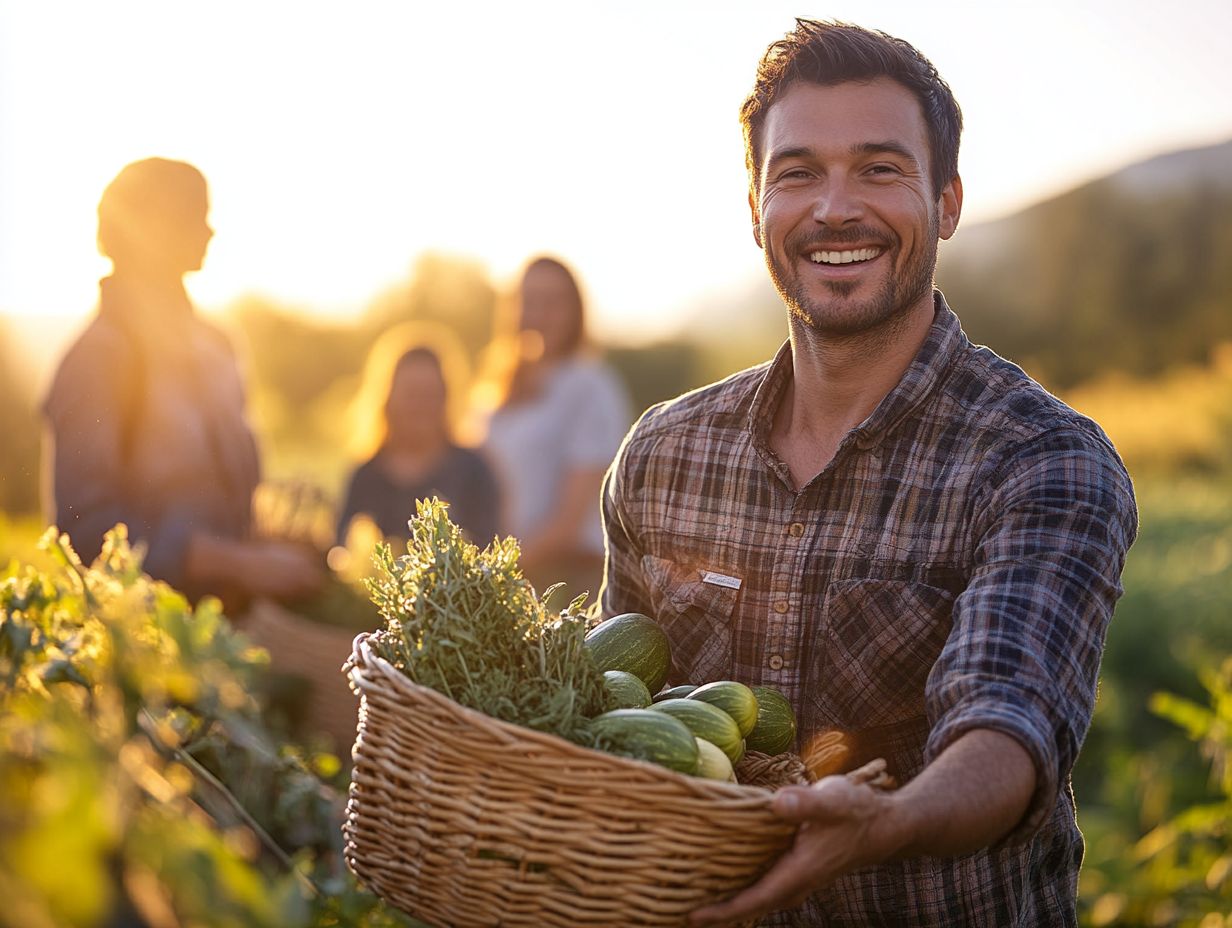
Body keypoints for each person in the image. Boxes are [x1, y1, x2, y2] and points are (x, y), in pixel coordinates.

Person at [599, 20, 1137, 927]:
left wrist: (889, 820)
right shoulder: (662, 453)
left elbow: (1009, 725)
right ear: (755, 206)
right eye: (797, 172)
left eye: (880, 169)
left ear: (949, 202)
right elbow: (611, 708)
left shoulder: (1040, 460)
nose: (834, 208)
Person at [43, 158, 322, 611]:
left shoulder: (217, 345)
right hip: (148, 644)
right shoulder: (97, 359)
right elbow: (85, 531)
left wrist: (272, 548)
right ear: (147, 228)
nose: (210, 231)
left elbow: (226, 502)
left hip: (239, 628)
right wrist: (240, 565)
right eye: (195, 215)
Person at [480, 256, 630, 597]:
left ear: (574, 311)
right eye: (529, 301)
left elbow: (571, 520)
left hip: (566, 579)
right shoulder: (499, 388)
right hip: (510, 574)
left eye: (552, 302)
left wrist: (497, 570)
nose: (538, 314)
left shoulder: (588, 386)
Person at [337, 325, 500, 547]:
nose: (421, 406)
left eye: (430, 394)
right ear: (388, 397)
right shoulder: (365, 476)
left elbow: (488, 549)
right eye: (411, 394)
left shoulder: (473, 471)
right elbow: (341, 550)